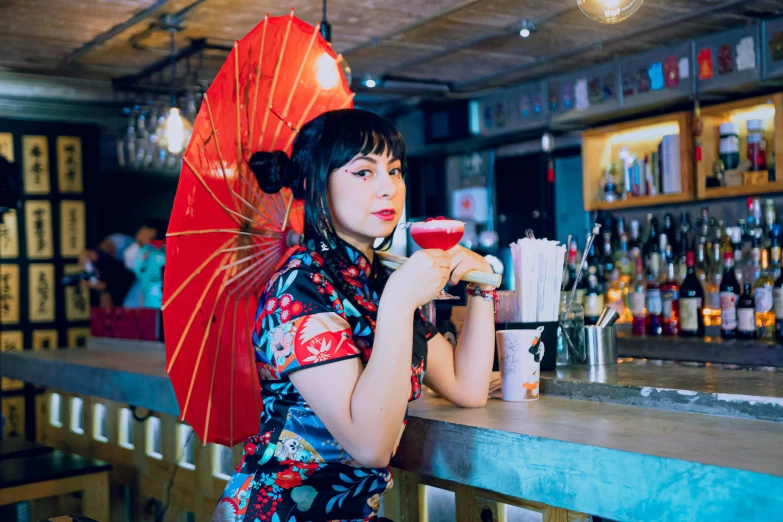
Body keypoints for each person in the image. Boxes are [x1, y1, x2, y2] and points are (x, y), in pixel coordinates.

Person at [212, 109, 496, 522]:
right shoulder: (298, 289)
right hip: (283, 511)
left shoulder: (379, 279)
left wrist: (481, 284)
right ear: (315, 185)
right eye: (363, 172)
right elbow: (369, 445)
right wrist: (400, 302)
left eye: (394, 171)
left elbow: (465, 386)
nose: (388, 189)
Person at [79, 221, 164, 308]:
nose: (137, 247)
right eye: (137, 239)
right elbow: (115, 243)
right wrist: (96, 253)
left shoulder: (156, 286)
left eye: (142, 244)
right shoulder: (131, 246)